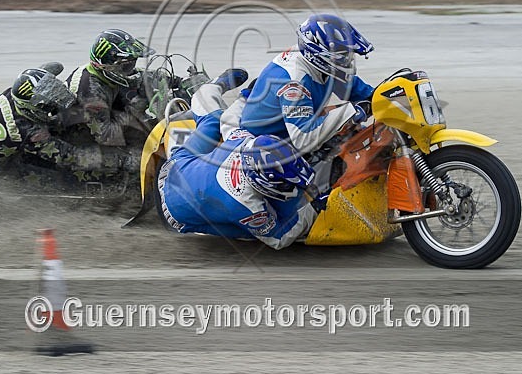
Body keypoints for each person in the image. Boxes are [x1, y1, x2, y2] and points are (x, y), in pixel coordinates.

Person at [157, 71, 328, 250]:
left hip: (182, 166)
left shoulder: (245, 143)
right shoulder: (248, 205)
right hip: (176, 210)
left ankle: (214, 86)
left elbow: (230, 121)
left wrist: (247, 97)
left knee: (213, 121)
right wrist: (315, 208)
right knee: (260, 234)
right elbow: (279, 239)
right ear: (261, 184)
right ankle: (207, 88)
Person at [234, 13, 375, 155]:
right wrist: (352, 112)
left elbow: (367, 95)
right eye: (343, 55)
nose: (348, 59)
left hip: (293, 129)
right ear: (320, 53)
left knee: (362, 133)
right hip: (262, 147)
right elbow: (303, 140)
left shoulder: (323, 65)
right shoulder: (294, 82)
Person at [0, 67, 108, 188]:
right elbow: (67, 155)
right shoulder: (28, 132)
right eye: (49, 107)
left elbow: (33, 81)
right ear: (33, 110)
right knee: (62, 180)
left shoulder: (17, 94)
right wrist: (113, 159)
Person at [62, 29, 156, 148]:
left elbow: (146, 75)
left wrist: (180, 82)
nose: (131, 69)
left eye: (133, 63)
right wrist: (136, 109)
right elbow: (107, 137)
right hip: (83, 142)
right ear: (109, 66)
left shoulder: (108, 71)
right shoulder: (90, 93)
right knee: (138, 159)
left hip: (105, 120)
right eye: (127, 65)